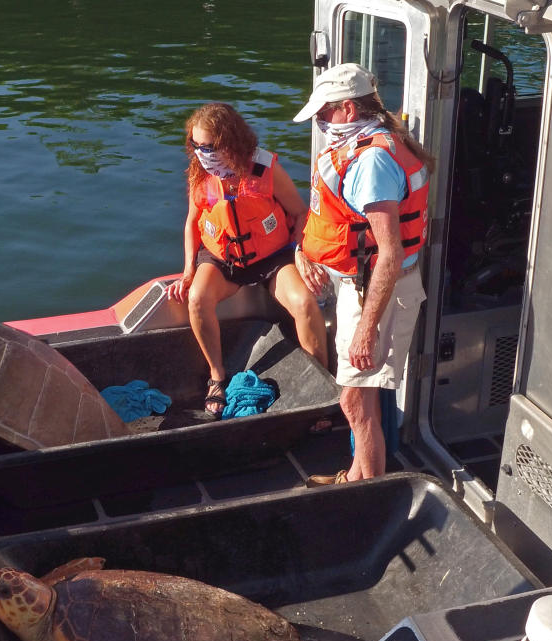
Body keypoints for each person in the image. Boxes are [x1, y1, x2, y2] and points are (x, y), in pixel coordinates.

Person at [291, 64, 433, 485]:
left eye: (323, 113)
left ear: (348, 109)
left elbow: (389, 253)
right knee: (361, 397)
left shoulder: (370, 161)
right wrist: (305, 252)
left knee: (355, 400)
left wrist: (367, 329)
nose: (319, 121)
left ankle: (369, 496)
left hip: (377, 290)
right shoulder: (376, 141)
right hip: (363, 284)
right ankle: (356, 478)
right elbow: (335, 221)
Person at [167, 102, 328, 418]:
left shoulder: (265, 169)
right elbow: (191, 223)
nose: (203, 153)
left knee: (306, 303)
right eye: (195, 146)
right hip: (222, 259)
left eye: (210, 147)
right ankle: (217, 376)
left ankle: (320, 388)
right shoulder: (199, 174)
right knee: (197, 298)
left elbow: (299, 212)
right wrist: (188, 270)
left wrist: (300, 252)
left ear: (231, 141)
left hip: (272, 257)